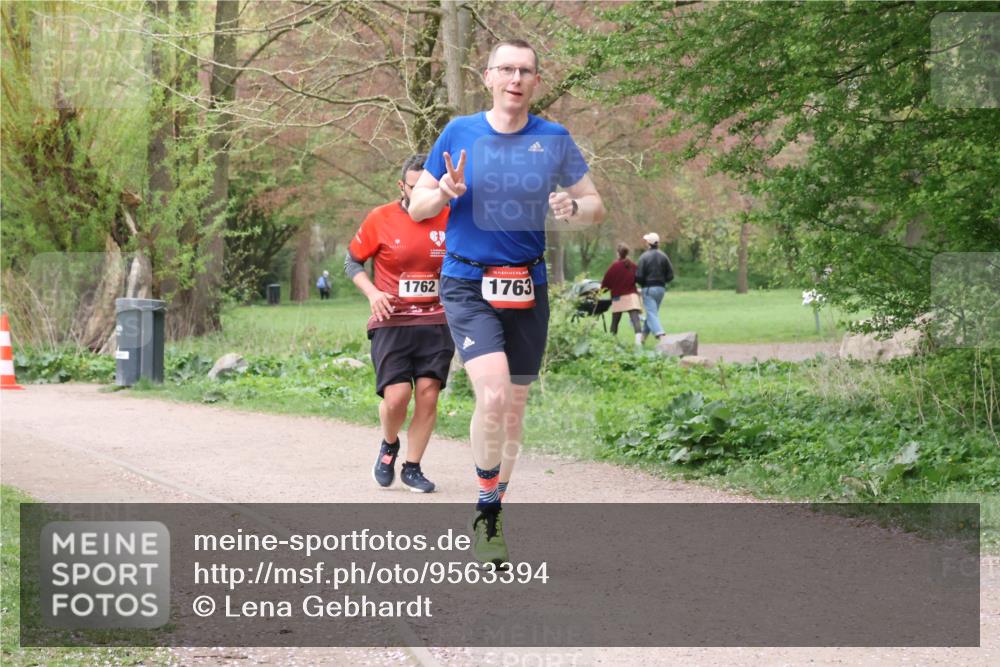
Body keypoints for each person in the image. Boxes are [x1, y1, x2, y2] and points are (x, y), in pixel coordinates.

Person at [408, 39, 605, 565]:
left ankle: (493, 505)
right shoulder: (459, 132)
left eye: (526, 71)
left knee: (513, 408)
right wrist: (444, 191)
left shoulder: (554, 139)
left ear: (536, 81)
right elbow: (417, 209)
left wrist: (572, 207)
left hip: (527, 284)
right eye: (507, 70)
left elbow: (595, 206)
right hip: (468, 281)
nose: (516, 78)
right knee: (492, 397)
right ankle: (487, 510)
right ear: (489, 77)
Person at [344, 154, 454, 493]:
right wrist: (373, 293)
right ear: (401, 186)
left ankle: (413, 467)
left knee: (428, 393)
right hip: (392, 320)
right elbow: (352, 262)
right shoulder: (381, 218)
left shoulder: (451, 217)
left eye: (429, 186)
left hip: (437, 320)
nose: (423, 193)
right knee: (397, 397)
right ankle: (389, 444)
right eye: (414, 186)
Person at [600, 243, 643, 345]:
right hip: (631, 296)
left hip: (618, 297)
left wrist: (601, 291)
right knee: (635, 320)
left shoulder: (614, 266)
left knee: (615, 322)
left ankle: (611, 343)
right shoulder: (632, 265)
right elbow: (639, 277)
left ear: (617, 253)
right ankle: (638, 345)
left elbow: (606, 281)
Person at [635, 232, 674, 342]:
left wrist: (642, 285)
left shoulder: (644, 257)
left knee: (651, 313)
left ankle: (661, 335)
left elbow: (639, 276)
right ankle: (643, 338)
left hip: (648, 289)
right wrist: (662, 281)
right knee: (652, 313)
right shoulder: (664, 256)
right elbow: (670, 275)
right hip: (661, 289)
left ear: (648, 243)